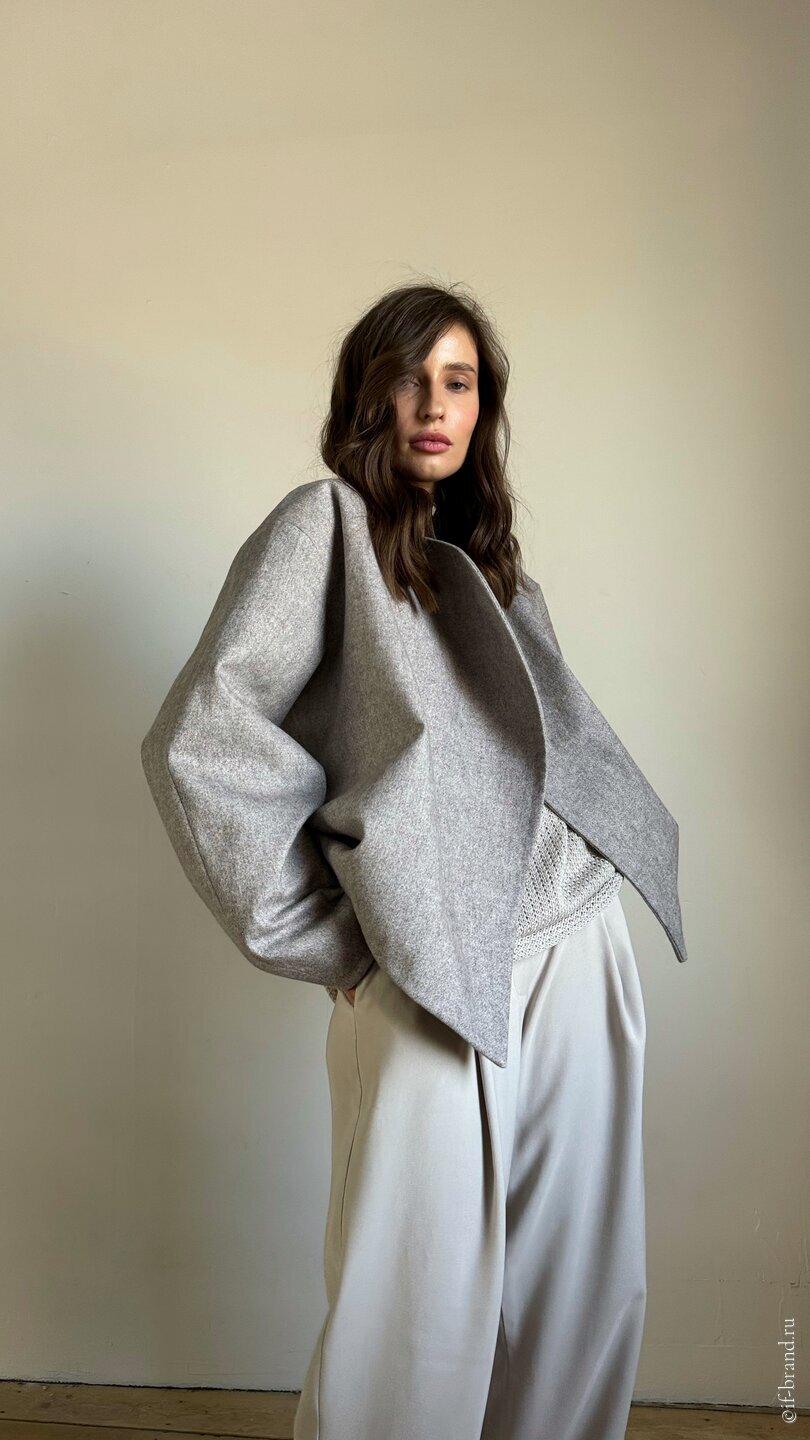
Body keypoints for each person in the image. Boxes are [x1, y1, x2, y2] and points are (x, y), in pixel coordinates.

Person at [141, 281, 687, 1440]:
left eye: (459, 381)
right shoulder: (322, 527)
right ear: (366, 394)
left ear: (483, 407)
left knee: (580, 1295)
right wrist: (335, 941)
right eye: (408, 378)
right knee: (413, 1316)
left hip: (577, 939)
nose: (434, 406)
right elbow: (201, 741)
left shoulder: (488, 560)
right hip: (433, 969)